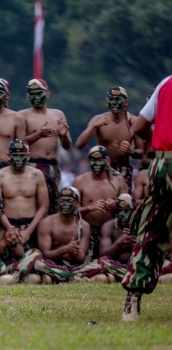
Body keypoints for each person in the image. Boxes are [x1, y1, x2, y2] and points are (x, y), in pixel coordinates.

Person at [121, 74, 172, 322]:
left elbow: (138, 126)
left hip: (163, 164)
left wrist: (159, 145)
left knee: (151, 231)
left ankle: (132, 306)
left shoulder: (166, 83)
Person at [75, 86, 144, 191]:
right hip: (101, 168)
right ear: (107, 102)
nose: (115, 103)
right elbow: (79, 144)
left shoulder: (133, 122)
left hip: (123, 168)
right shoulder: (98, 119)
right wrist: (94, 126)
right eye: (112, 100)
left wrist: (132, 151)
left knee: (123, 202)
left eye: (118, 100)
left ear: (126, 102)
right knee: (100, 201)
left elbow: (142, 152)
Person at [20, 79, 72, 214]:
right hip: (32, 165)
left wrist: (64, 135)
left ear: (47, 94)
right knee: (33, 205)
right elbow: (18, 145)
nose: (36, 97)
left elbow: (67, 146)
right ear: (27, 96)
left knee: (54, 206)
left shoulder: (58, 114)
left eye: (39, 93)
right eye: (32, 94)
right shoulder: (21, 116)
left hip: (53, 166)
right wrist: (39, 134)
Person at [34, 186, 107, 283]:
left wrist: (74, 251)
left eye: (69, 200)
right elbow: (46, 253)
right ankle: (76, 278)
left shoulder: (84, 226)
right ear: (58, 202)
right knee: (38, 262)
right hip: (53, 264)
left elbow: (81, 258)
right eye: (62, 200)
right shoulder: (47, 223)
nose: (65, 204)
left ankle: (59, 277)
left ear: (77, 204)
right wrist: (66, 249)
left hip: (75, 266)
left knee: (101, 263)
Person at [0, 139, 48, 253]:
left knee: (34, 260)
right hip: (7, 226)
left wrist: (29, 231)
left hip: (31, 225)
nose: (18, 159)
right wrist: (10, 229)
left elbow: (44, 206)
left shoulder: (37, 175)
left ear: (29, 156)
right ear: (8, 156)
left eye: (22, 156)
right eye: (15, 155)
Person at [71, 146, 128, 260]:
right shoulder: (80, 181)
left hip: (112, 231)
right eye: (93, 160)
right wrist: (89, 207)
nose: (96, 164)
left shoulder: (118, 180)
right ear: (88, 161)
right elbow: (68, 211)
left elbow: (129, 206)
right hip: (89, 232)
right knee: (86, 263)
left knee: (118, 261)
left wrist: (116, 204)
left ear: (108, 161)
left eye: (100, 160)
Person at [0, 195, 42, 284]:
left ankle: (14, 277)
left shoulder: (2, 230)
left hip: (3, 266)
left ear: (2, 214)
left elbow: (20, 254)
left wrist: (12, 241)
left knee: (35, 252)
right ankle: (12, 279)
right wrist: (4, 243)